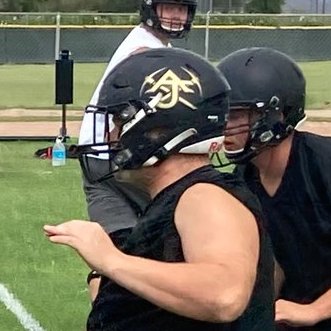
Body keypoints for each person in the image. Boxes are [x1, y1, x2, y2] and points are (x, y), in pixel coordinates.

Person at [45, 47, 275, 330]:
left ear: (157, 127)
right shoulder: (177, 196)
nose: (111, 136)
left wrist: (111, 260)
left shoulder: (204, 196)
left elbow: (224, 294)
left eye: (119, 121)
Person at [78, 0, 197, 299]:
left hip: (98, 161)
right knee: (188, 231)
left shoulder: (145, 43)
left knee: (118, 253)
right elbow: (126, 112)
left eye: (181, 9)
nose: (176, 15)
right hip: (120, 163)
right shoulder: (146, 52)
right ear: (150, 9)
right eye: (168, 7)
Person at [217, 47, 331, 330]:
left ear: (276, 116)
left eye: (238, 115)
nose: (225, 126)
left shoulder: (323, 165)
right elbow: (272, 262)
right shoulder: (244, 179)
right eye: (223, 114)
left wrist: (316, 309)